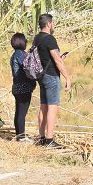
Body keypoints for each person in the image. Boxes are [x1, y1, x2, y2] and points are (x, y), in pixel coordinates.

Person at [33, 13, 71, 148]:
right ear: (49, 24)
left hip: (41, 76)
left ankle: (42, 137)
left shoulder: (37, 38)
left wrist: (60, 58)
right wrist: (67, 77)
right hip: (51, 76)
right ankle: (49, 139)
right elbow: (57, 61)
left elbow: (46, 58)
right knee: (52, 108)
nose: (53, 25)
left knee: (43, 107)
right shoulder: (50, 39)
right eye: (52, 23)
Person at [9, 32, 35, 142]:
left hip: (17, 86)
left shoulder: (16, 54)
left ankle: (19, 135)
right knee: (21, 112)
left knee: (19, 111)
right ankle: (21, 137)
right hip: (23, 87)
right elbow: (28, 66)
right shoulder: (20, 54)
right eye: (25, 40)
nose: (26, 42)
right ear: (20, 42)